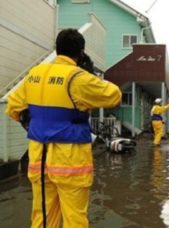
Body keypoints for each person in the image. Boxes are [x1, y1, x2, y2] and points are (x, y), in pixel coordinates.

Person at [5, 28, 121, 228]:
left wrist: (34, 124)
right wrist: (90, 72)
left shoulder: (35, 74)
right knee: (74, 219)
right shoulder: (78, 78)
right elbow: (114, 95)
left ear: (57, 49)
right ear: (81, 52)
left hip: (39, 159)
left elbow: (13, 107)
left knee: (42, 217)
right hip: (71, 162)